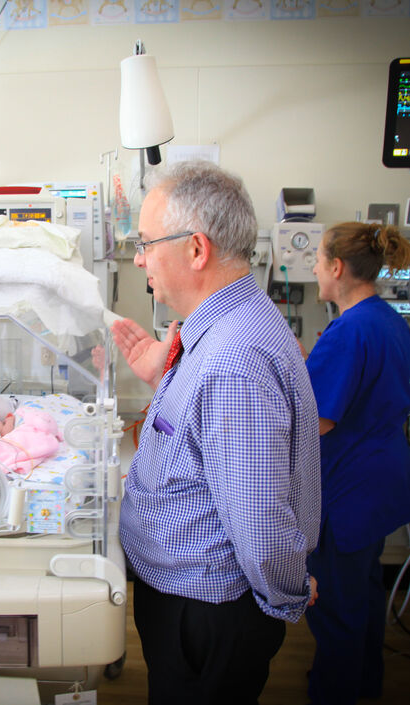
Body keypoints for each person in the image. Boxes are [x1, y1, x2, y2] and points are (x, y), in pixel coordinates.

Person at [112, 161, 321, 705]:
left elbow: (260, 518)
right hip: (194, 604)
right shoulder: (225, 329)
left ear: (196, 250)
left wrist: (288, 591)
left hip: (205, 616)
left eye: (146, 242)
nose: (139, 259)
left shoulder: (232, 361)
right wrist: (166, 376)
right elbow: (210, 445)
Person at [302, 222, 410, 705]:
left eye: (318, 260)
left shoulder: (348, 332)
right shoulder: (388, 320)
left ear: (337, 268)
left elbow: (317, 423)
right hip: (381, 486)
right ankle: (365, 689)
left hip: (345, 495)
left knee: (338, 616)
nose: (314, 268)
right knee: (364, 604)